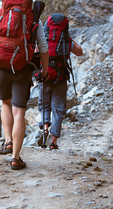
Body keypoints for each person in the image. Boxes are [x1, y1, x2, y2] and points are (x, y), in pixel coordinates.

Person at [0, 0, 48, 170]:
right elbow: (43, 47)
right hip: (23, 67)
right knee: (19, 111)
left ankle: (8, 141)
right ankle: (15, 157)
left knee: (5, 104)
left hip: (0, 66)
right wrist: (44, 70)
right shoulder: (33, 19)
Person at [38, 13, 83, 150]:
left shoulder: (43, 39)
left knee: (44, 105)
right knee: (58, 110)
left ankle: (45, 127)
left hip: (44, 76)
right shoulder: (66, 41)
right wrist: (68, 38)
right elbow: (80, 52)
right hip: (60, 78)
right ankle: (54, 142)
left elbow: (34, 52)